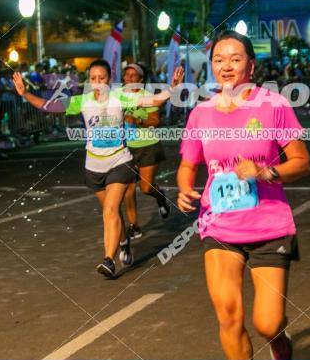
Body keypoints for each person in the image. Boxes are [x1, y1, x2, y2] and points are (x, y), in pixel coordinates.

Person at [176, 31, 310, 360]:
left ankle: (278, 337)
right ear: (211, 66)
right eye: (219, 59)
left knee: (267, 321)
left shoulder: (274, 106)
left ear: (251, 66)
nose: (227, 65)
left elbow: (302, 161)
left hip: (269, 225)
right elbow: (188, 164)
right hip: (219, 225)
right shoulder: (200, 113)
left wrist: (265, 171)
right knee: (228, 313)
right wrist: (186, 189)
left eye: (235, 58)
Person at [14, 60, 183, 278]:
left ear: (109, 79)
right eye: (93, 79)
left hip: (119, 162)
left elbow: (151, 100)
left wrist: (172, 89)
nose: (97, 83)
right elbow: (50, 106)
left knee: (110, 211)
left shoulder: (120, 97)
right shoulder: (82, 101)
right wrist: (25, 94)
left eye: (101, 78)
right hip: (94, 167)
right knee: (112, 213)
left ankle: (108, 261)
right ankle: (123, 242)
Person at [121, 63, 171, 240]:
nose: (129, 78)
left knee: (146, 187)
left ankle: (160, 197)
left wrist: (137, 120)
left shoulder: (148, 97)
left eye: (133, 76)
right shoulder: (119, 97)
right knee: (127, 189)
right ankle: (134, 226)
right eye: (127, 75)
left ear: (141, 81)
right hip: (126, 147)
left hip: (148, 146)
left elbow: (156, 120)